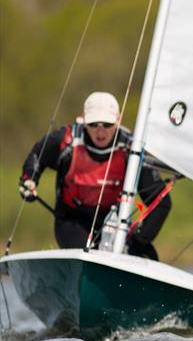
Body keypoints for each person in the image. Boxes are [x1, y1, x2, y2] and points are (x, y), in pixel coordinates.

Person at [19, 92, 171, 260]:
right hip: (72, 220)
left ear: (118, 121)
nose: (100, 131)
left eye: (107, 124)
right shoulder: (66, 141)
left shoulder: (130, 151)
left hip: (114, 224)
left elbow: (161, 202)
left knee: (146, 256)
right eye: (93, 124)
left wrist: (137, 240)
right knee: (89, 254)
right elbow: (37, 154)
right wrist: (29, 179)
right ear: (83, 120)